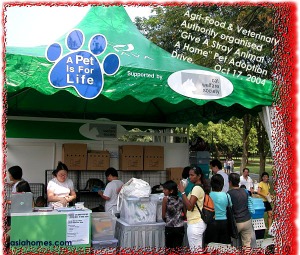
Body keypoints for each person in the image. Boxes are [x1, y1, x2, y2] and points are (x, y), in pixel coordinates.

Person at [178, 166, 208, 252]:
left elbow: (190, 206)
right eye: (189, 175)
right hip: (195, 222)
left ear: (199, 176)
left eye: (192, 175)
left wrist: (182, 192)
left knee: (195, 251)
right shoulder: (196, 187)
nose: (190, 177)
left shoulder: (197, 188)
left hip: (196, 223)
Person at [227, 173, 254, 248]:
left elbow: (228, 208)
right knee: (247, 244)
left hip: (236, 222)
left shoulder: (229, 194)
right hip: (247, 220)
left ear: (230, 182)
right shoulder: (245, 192)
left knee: (233, 245)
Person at [204, 174, 231, 245]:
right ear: (222, 184)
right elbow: (230, 206)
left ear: (211, 184)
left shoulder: (208, 196)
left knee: (211, 247)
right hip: (224, 223)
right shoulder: (227, 195)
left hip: (212, 223)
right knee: (224, 247)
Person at [162, 180, 185, 250]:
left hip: (169, 227)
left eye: (165, 189)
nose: (163, 191)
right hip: (180, 227)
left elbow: (163, 215)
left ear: (171, 191)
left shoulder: (166, 199)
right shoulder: (181, 199)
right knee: (178, 248)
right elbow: (184, 214)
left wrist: (168, 220)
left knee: (169, 249)